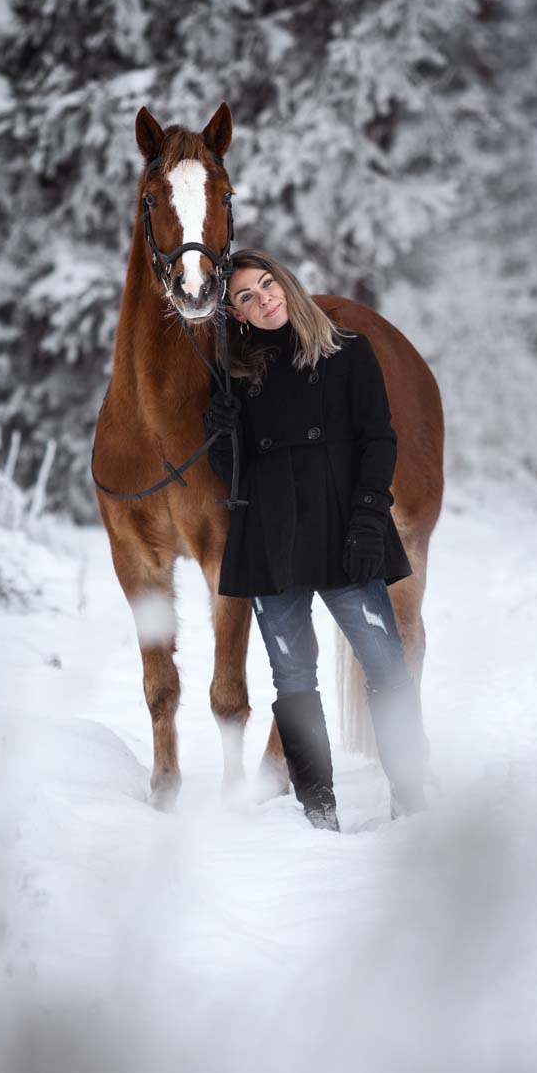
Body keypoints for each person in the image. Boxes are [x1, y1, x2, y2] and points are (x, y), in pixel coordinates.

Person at [203, 248, 427, 832]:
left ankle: (410, 794)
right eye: (246, 297)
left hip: (342, 533)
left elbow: (379, 440)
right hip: (271, 543)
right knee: (294, 678)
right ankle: (318, 806)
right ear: (239, 316)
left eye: (267, 285)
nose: (263, 299)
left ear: (287, 285)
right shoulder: (239, 377)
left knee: (386, 666)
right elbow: (234, 475)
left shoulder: (348, 354)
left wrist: (369, 518)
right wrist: (221, 433)